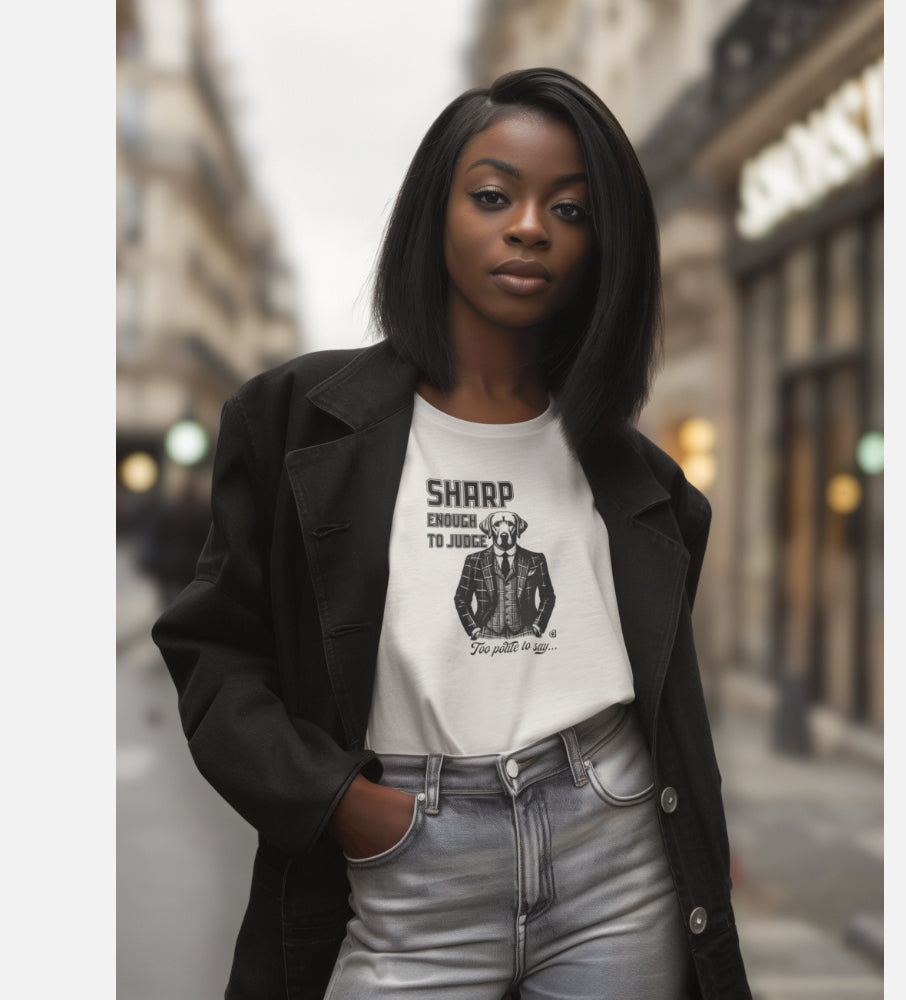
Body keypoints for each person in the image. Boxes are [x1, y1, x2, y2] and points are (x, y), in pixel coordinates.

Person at [152, 67, 751, 1000]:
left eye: (571, 209)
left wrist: (694, 835)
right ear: (438, 213)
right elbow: (216, 656)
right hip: (407, 862)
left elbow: (667, 703)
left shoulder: (644, 482)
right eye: (492, 195)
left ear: (603, 247)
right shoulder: (297, 422)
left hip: (613, 848)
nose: (529, 227)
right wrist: (338, 802)